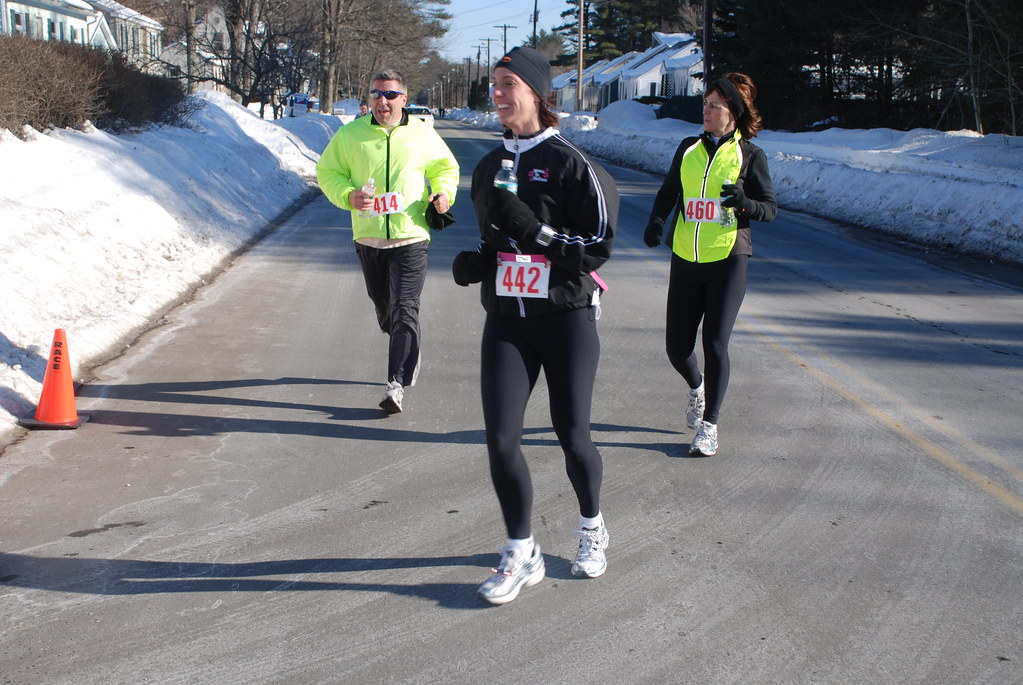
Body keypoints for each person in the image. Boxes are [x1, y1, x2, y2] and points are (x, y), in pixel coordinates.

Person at [451, 47, 619, 605]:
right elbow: (495, 239)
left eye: (508, 84)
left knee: (573, 438)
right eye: (494, 84)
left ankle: (591, 524)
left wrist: (538, 235)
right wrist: (478, 259)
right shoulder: (485, 168)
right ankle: (521, 552)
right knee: (500, 440)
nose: (498, 94)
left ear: (538, 93)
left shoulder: (574, 164)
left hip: (566, 317)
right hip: (506, 321)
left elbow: (596, 249)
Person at [643, 72, 777, 457]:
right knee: (675, 347)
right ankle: (697, 389)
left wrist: (744, 202)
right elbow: (670, 190)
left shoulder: (750, 156)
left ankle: (710, 426)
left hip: (728, 257)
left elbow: (769, 208)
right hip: (686, 256)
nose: (707, 110)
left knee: (715, 342)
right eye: (706, 104)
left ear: (732, 112)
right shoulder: (688, 148)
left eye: (715, 105)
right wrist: (656, 220)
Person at [317, 69, 459, 414]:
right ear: (369, 99)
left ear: (404, 100)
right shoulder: (351, 135)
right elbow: (327, 172)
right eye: (377, 94)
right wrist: (348, 195)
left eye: (391, 95)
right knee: (385, 309)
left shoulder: (422, 134)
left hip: (411, 234)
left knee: (405, 308)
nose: (383, 101)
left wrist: (443, 193)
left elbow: (445, 168)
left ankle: (395, 384)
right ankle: (400, 333)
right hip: (368, 238)